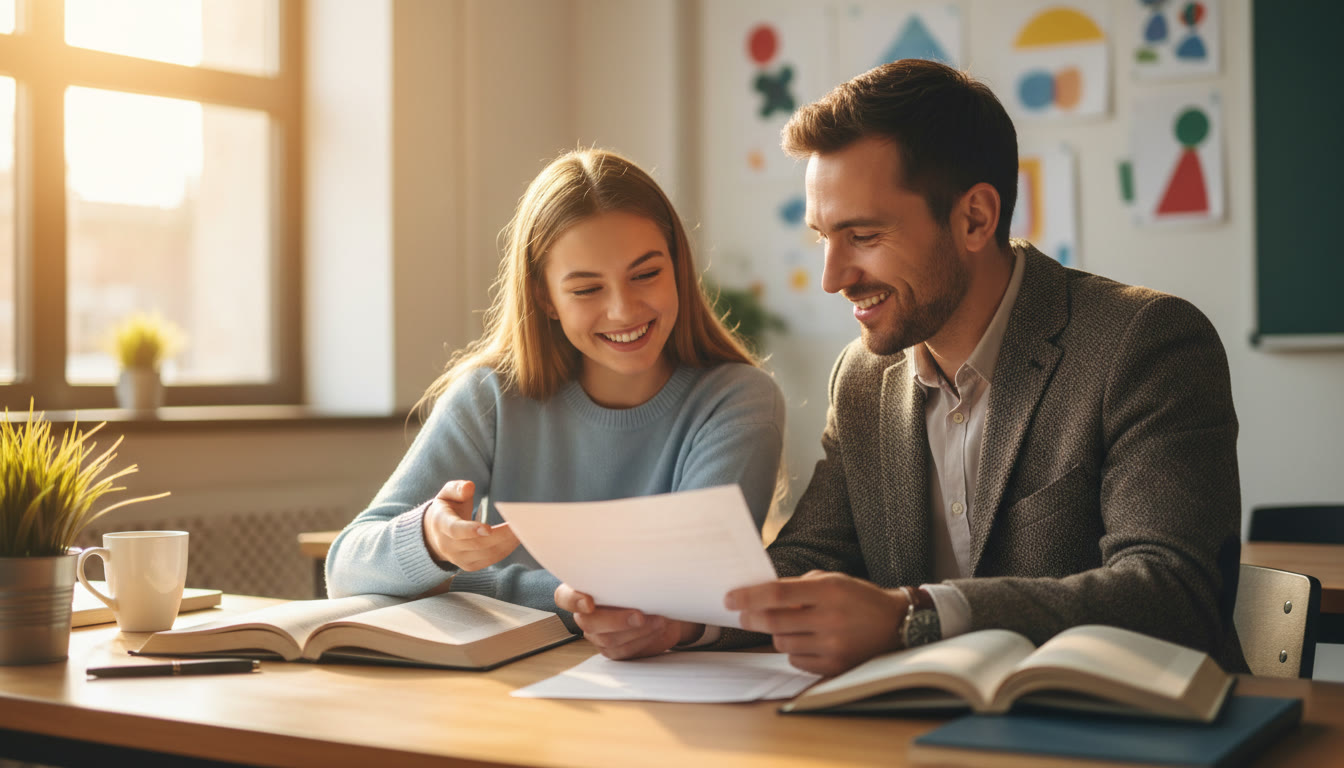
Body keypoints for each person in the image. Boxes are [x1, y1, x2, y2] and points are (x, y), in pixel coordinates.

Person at [559, 59, 1247, 675]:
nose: (832, 277)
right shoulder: (863, 379)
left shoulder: (1144, 343)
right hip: (919, 735)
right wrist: (687, 619)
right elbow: (807, 563)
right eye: (823, 238)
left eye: (863, 235)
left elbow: (1171, 592)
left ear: (976, 219)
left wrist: (912, 615)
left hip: (1128, 735)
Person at [326, 149, 786, 632]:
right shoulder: (490, 397)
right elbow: (344, 570)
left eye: (646, 274)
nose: (624, 310)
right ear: (545, 297)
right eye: (587, 289)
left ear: (677, 265)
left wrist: (458, 585)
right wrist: (431, 540)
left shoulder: (738, 401)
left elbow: (688, 590)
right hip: (502, 682)